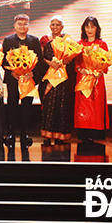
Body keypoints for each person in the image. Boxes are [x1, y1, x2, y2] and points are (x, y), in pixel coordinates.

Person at [2, 14, 44, 147]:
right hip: (13, 79)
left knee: (27, 107)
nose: (22, 26)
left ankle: (25, 133)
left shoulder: (34, 40)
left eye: (25, 23)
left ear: (28, 26)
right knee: (12, 105)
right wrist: (12, 71)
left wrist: (32, 73)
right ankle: (11, 133)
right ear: (14, 26)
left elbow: (39, 60)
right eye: (19, 24)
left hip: (28, 79)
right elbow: (3, 60)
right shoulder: (8, 40)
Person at [39, 16, 75, 145]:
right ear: (49, 26)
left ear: (62, 27)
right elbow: (39, 57)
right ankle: (48, 135)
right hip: (49, 77)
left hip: (63, 78)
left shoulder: (68, 40)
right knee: (48, 105)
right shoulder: (44, 40)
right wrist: (50, 63)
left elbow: (73, 57)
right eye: (52, 24)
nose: (55, 27)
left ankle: (61, 136)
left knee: (62, 105)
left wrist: (68, 60)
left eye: (58, 25)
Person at [74, 16, 109, 143]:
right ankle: (83, 132)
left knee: (96, 103)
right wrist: (80, 68)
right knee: (83, 104)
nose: (89, 29)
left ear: (97, 28)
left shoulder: (102, 44)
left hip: (97, 79)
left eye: (92, 26)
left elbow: (106, 62)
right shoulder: (79, 44)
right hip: (83, 78)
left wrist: (99, 71)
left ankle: (96, 132)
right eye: (87, 26)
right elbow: (76, 62)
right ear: (84, 28)